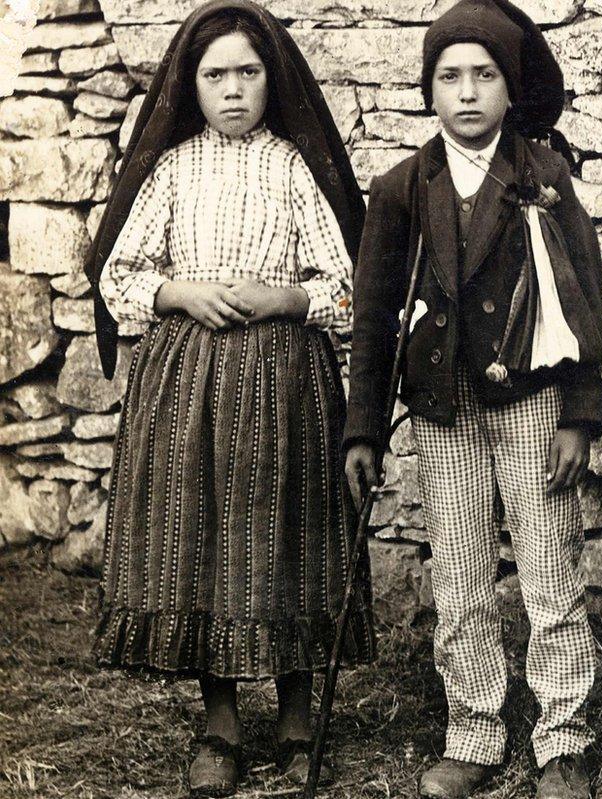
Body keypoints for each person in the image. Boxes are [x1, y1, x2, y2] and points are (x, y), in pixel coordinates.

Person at [85, 2, 375, 795]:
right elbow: (118, 275)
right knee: (201, 533)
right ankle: (218, 719)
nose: (234, 90)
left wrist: (285, 299)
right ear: (192, 84)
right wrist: (178, 290)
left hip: (284, 377)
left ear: (270, 79)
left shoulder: (291, 167)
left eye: (249, 72)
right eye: (216, 75)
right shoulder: (173, 168)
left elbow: (347, 283)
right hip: (187, 381)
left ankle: (295, 705)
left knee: (286, 528)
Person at [343, 2, 602, 797]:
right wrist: (363, 427)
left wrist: (578, 413)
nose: (467, 93)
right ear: (428, 89)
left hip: (529, 400)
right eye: (449, 76)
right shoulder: (401, 188)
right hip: (442, 407)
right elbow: (372, 313)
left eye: (484, 76)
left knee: (548, 566)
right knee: (458, 571)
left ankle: (562, 734)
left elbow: (585, 297)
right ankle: (474, 729)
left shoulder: (544, 177)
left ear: (509, 87)